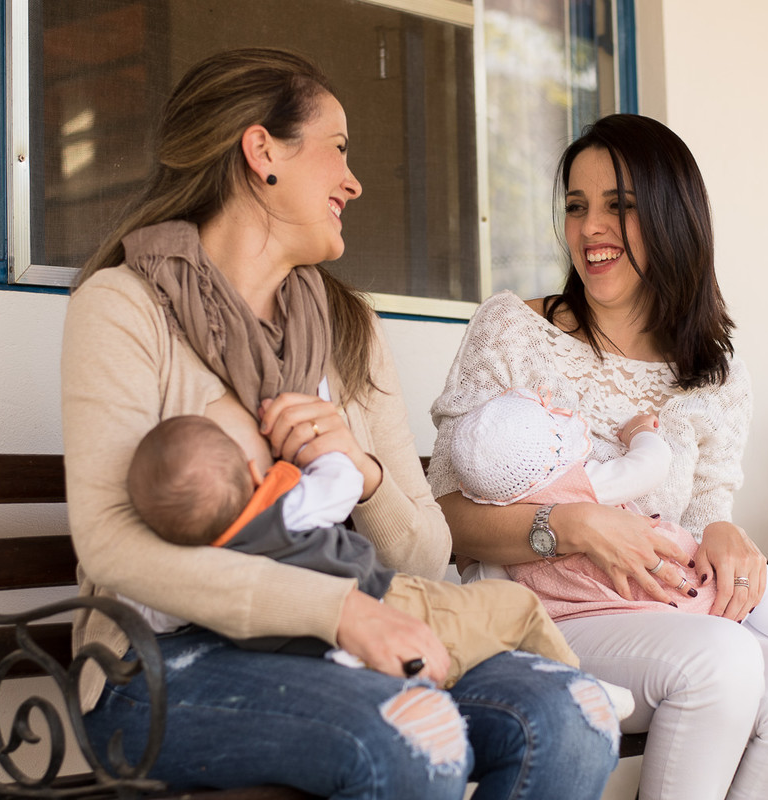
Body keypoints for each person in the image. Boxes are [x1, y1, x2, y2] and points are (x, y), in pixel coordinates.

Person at [61, 47, 619, 800]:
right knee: (411, 733)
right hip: (157, 666)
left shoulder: (348, 327)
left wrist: (364, 472)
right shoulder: (126, 306)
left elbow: (426, 554)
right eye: (339, 148)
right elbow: (111, 544)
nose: (353, 181)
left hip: (336, 640)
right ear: (263, 152)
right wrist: (339, 612)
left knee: (574, 715)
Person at [428, 114, 768, 800]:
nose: (590, 228)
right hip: (544, 618)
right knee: (720, 662)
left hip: (673, 616)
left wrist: (724, 533)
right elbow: (444, 520)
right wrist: (570, 526)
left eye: (619, 206)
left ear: (671, 217)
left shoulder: (715, 373)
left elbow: (705, 511)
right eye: (577, 206)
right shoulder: (513, 330)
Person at [121, 413, 587, 692]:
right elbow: (341, 483)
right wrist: (331, 450)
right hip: (396, 607)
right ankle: (579, 685)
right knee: (518, 606)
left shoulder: (198, 568)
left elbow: (153, 611)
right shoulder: (287, 507)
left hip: (322, 655)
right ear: (249, 468)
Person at [450, 388, 768, 655]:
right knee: (741, 594)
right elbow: (650, 466)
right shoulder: (581, 483)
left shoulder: (505, 514)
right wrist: (640, 434)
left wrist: (471, 569)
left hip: (638, 618)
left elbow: (488, 584)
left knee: (732, 630)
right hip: (674, 581)